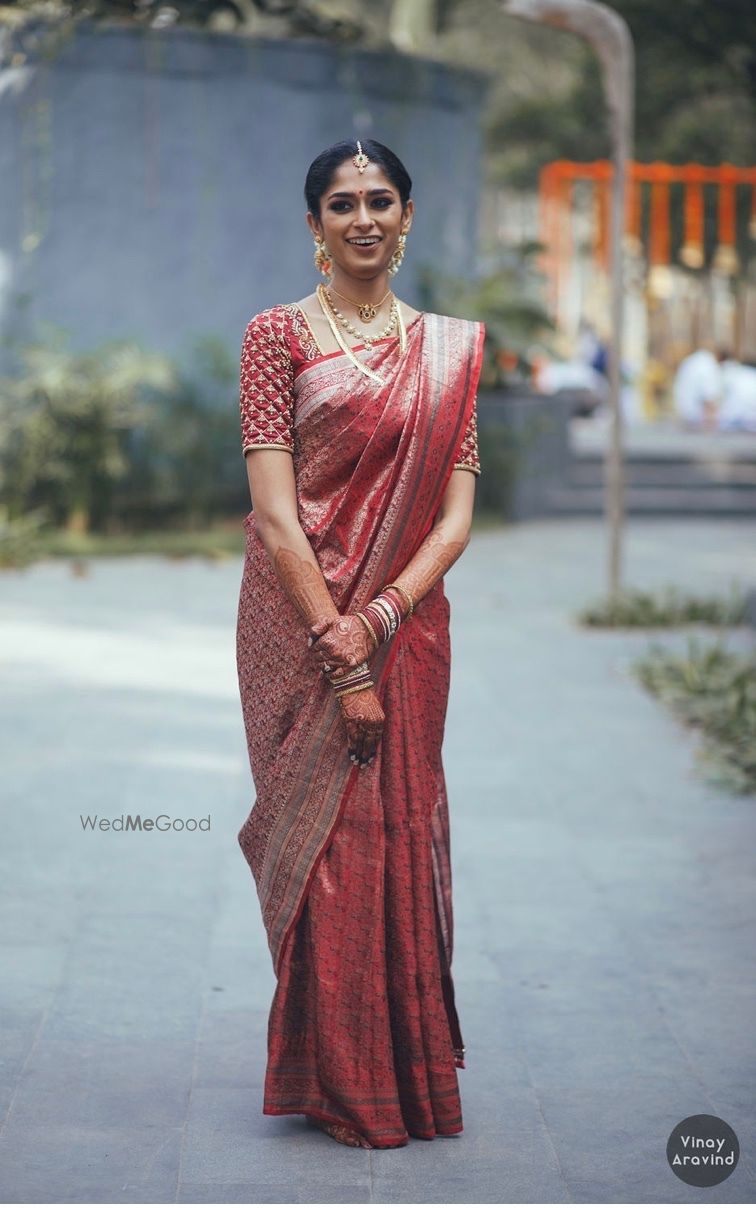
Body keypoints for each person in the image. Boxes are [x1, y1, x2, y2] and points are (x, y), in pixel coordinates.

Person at [235, 138, 485, 1150]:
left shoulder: (454, 347)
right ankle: (339, 1079)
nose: (364, 217)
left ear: (409, 215)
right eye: (342, 203)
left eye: (381, 199)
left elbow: (458, 515)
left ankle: (406, 1070)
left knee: (391, 832)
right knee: (326, 846)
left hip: (409, 627)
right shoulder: (275, 335)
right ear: (314, 226)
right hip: (294, 629)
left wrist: (377, 623)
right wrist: (340, 653)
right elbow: (276, 514)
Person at [672, 346, 724, 429]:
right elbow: (709, 397)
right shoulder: (707, 364)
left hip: (684, 414)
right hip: (698, 419)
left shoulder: (690, 361)